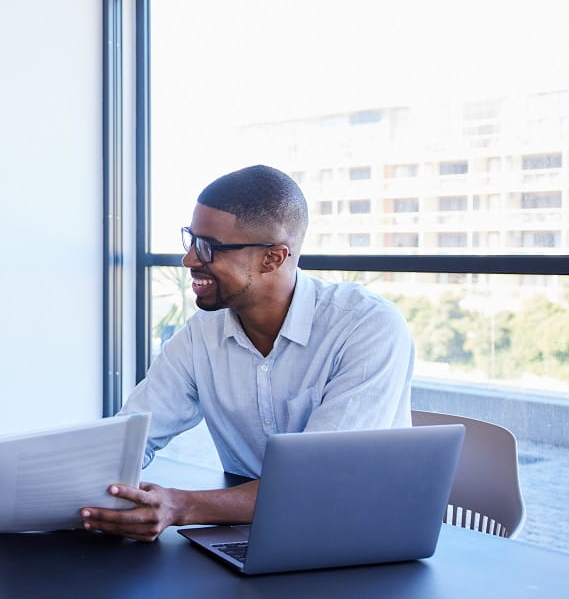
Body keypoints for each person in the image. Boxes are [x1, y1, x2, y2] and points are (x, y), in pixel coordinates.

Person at [80, 165, 414, 541]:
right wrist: (65, 487)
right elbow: (133, 436)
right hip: (251, 535)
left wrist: (181, 505)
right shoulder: (200, 336)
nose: (189, 260)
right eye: (190, 240)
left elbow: (318, 482)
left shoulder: (366, 326)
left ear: (273, 258)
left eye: (209, 247)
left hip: (357, 538)